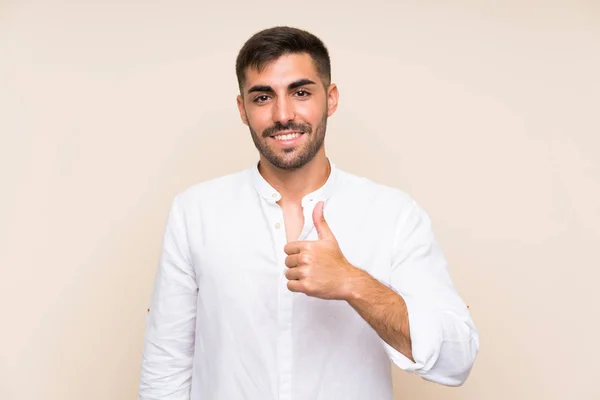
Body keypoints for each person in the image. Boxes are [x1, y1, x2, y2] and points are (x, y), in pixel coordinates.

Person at [138, 26, 479, 400]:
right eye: (263, 96)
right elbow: (165, 366)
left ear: (330, 99)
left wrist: (353, 282)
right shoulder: (195, 212)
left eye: (301, 93)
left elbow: (455, 359)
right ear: (242, 109)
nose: (283, 115)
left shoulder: (394, 215)